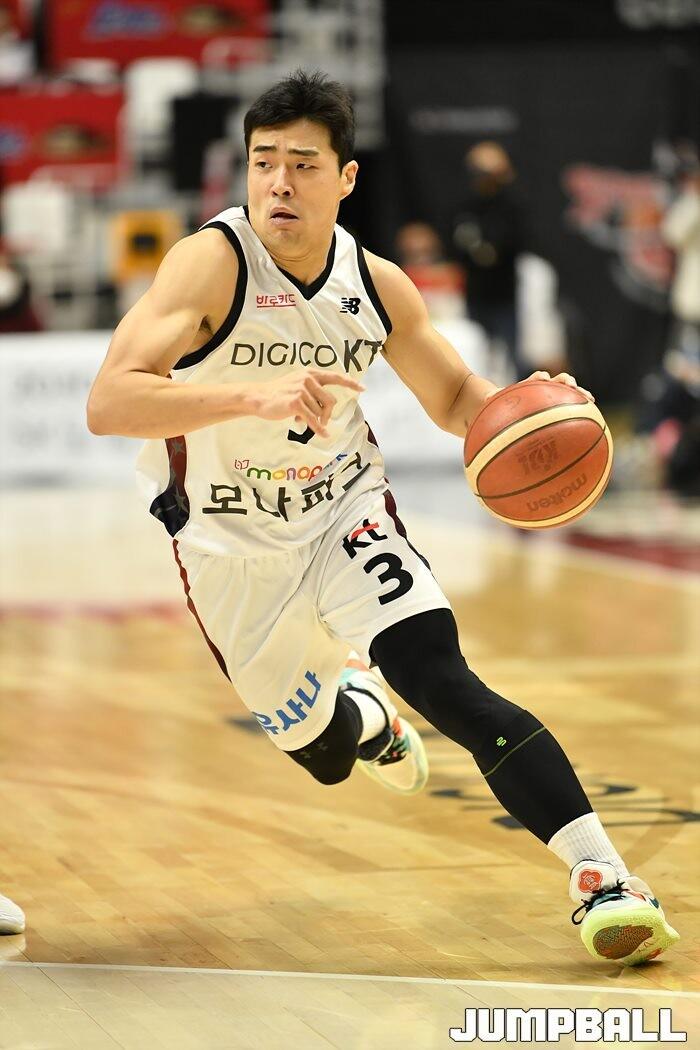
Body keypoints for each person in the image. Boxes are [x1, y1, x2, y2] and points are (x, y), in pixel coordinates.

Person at [87, 71, 678, 967]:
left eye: (302, 164)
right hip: (228, 542)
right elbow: (110, 402)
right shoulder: (210, 263)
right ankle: (364, 717)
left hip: (342, 510)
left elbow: (456, 396)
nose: (279, 183)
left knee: (442, 677)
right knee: (324, 754)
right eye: (263, 163)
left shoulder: (375, 283)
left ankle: (605, 879)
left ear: (346, 178)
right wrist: (252, 396)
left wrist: (531, 409)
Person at [452, 142, 529, 381]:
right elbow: (457, 243)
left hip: (504, 294)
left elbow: (513, 244)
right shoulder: (465, 206)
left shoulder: (511, 206)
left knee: (512, 356)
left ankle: (522, 397)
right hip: (475, 293)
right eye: (478, 172)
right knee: (475, 356)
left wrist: (488, 250)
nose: (483, 179)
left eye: (489, 173)